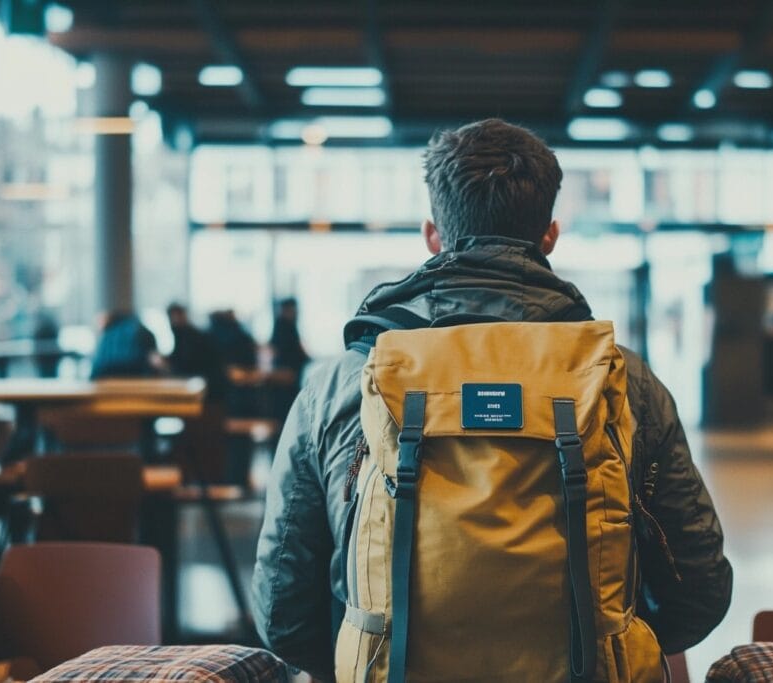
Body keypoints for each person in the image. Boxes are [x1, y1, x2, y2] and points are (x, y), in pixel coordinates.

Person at [252, 119, 733, 679]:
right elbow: (698, 587)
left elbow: (282, 609)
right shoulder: (622, 380)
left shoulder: (346, 381)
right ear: (549, 235)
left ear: (434, 235)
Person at [167, 303, 226, 400]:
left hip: (204, 387)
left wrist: (167, 365)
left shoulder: (190, 336)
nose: (175, 320)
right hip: (204, 385)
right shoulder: (184, 334)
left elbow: (186, 364)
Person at [89, 311, 159, 379]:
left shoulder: (108, 335)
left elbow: (98, 364)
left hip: (108, 380)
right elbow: (154, 360)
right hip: (137, 380)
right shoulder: (139, 328)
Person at [270, 297, 310, 379]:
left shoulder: (287, 325)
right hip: (287, 371)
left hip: (289, 369)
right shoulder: (284, 326)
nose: (296, 312)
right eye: (293, 309)